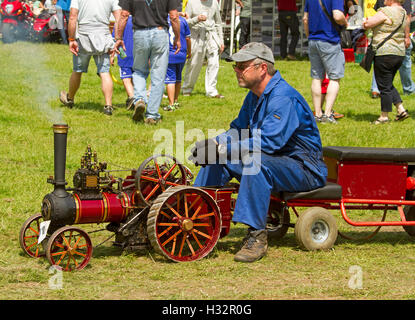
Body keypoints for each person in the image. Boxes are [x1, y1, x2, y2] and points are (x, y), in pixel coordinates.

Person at [189, 42, 328, 263]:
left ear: (262, 68)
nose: (236, 70)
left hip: (303, 168)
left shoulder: (283, 98)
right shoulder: (255, 95)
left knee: (254, 162)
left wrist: (223, 149)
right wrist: (213, 144)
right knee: (216, 159)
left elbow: (269, 143)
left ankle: (257, 237)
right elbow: (238, 130)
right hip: (276, 161)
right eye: (236, 66)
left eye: (241, 66)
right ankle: (197, 218)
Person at [114, 0, 180, 125]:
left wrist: (118, 38)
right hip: (160, 33)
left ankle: (139, 99)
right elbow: (174, 16)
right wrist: (177, 38)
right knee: (158, 76)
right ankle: (152, 115)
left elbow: (124, 15)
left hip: (140, 33)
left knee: (139, 71)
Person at [59, 0, 121, 115]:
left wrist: (71, 39)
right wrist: (117, 39)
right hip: (103, 35)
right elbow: (119, 18)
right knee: (104, 72)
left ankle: (70, 99)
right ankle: (108, 106)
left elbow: (72, 17)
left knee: (77, 70)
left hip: (83, 36)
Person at [363, 0, 409, 124]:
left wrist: (364, 22)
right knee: (387, 83)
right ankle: (401, 110)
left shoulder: (385, 12)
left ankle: (384, 116)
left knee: (383, 86)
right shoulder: (403, 12)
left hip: (385, 53)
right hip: (399, 53)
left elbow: (368, 24)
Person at [303, 0, 347, 124]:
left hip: (313, 40)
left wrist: (309, 36)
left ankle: (317, 114)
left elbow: (305, 19)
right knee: (334, 77)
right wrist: (345, 22)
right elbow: (337, 15)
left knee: (317, 77)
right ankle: (327, 115)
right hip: (330, 40)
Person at [370, 0, 415, 98]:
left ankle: (376, 89)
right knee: (405, 62)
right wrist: (407, 37)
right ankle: (408, 89)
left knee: (379, 64)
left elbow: (377, 15)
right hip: (396, 40)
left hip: (380, 40)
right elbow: (407, 17)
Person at [181, 0, 225, 99]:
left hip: (211, 36)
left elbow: (218, 23)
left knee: (214, 63)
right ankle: (187, 89)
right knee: (194, 63)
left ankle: (212, 91)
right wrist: (197, 19)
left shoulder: (214, 3)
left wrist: (221, 41)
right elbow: (185, 23)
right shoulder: (191, 3)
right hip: (196, 36)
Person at [163, 13, 191, 111]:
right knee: (178, 78)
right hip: (182, 53)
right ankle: (175, 101)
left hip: (169, 54)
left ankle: (171, 104)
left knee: (170, 79)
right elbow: (188, 38)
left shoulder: (163, 20)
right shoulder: (183, 21)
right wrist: (189, 52)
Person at [112, 15, 135, 110]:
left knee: (126, 78)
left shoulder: (120, 21)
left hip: (123, 53)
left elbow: (114, 39)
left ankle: (133, 98)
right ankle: (132, 98)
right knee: (135, 77)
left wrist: (112, 55)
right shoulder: (140, 19)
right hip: (139, 54)